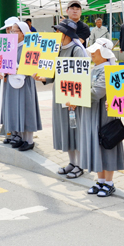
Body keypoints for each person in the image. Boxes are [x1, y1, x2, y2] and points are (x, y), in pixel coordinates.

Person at [33, 19, 89, 179]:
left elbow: (82, 77)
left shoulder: (77, 50)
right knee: (66, 129)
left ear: (67, 34)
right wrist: (42, 78)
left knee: (75, 130)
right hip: (60, 95)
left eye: (59, 31)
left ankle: (80, 165)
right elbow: (53, 74)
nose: (56, 34)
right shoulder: (57, 50)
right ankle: (72, 162)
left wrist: (77, 100)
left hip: (73, 99)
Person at [81, 38, 124, 197]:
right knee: (96, 144)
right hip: (93, 111)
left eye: (96, 50)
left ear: (105, 53)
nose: (92, 53)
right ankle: (100, 181)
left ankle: (109, 182)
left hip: (105, 115)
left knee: (107, 143)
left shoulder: (109, 70)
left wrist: (76, 95)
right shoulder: (95, 68)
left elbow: (97, 92)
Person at [1, 19, 42, 151]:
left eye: (15, 30)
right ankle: (21, 137)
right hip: (12, 82)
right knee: (16, 109)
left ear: (23, 33)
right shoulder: (10, 45)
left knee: (26, 110)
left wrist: (14, 69)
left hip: (25, 83)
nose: (12, 32)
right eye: (11, 30)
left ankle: (29, 140)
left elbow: (32, 67)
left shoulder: (29, 46)